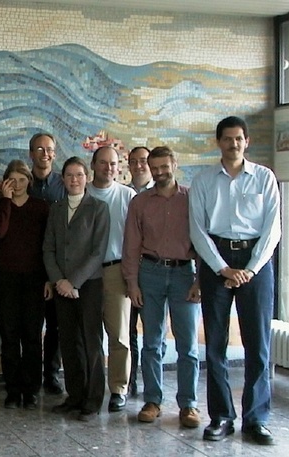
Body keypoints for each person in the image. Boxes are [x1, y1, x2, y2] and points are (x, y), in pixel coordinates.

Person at [189, 116, 281, 445]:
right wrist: (222, 268)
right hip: (217, 261)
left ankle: (256, 419)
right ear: (218, 142)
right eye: (227, 139)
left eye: (239, 139)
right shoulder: (202, 181)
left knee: (258, 345)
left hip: (256, 262)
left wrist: (251, 269)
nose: (233, 144)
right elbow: (197, 232)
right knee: (215, 345)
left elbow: (273, 230)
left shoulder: (264, 178)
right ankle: (221, 416)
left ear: (247, 141)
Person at [121, 146, 202, 429]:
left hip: (184, 275)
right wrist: (132, 282)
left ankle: (188, 405)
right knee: (152, 343)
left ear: (174, 164)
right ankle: (153, 400)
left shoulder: (192, 198)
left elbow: (205, 241)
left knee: (188, 345)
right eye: (154, 168)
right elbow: (130, 245)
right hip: (150, 273)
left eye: (164, 167)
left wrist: (200, 279)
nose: (158, 173)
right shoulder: (140, 203)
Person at [44, 157, 110, 422]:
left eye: (79, 175)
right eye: (69, 175)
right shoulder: (56, 209)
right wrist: (59, 280)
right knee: (68, 342)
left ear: (87, 177)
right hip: (61, 286)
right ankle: (75, 396)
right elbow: (48, 248)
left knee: (91, 342)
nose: (74, 180)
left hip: (89, 285)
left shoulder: (98, 208)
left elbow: (98, 251)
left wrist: (74, 282)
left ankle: (92, 401)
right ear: (63, 179)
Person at [0, 160, 51, 410]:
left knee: (32, 336)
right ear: (6, 182)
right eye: (12, 180)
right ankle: (13, 389)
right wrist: (5, 200)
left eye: (22, 180)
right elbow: (0, 232)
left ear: (30, 182)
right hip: (6, 278)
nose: (17, 185)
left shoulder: (41, 208)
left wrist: (49, 278)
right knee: (9, 335)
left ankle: (32, 389)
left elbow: (48, 246)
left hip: (35, 278)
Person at [85, 145, 136, 413]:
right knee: (89, 334)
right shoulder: (81, 193)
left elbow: (137, 238)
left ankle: (118, 388)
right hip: (87, 273)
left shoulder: (128, 196)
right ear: (92, 165)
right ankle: (90, 386)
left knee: (119, 335)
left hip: (116, 270)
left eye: (113, 163)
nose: (108, 168)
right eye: (103, 163)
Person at [27, 133, 66, 395]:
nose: (45, 153)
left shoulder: (64, 184)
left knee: (56, 324)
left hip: (56, 265)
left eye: (49, 149)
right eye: (39, 149)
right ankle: (28, 375)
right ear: (31, 153)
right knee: (29, 325)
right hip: (28, 265)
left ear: (54, 153)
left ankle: (51, 374)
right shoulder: (22, 182)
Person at [125, 146, 154, 397]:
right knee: (129, 328)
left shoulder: (162, 193)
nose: (138, 166)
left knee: (153, 331)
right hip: (131, 269)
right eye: (133, 161)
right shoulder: (125, 194)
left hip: (156, 269)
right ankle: (131, 379)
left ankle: (154, 385)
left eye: (143, 161)